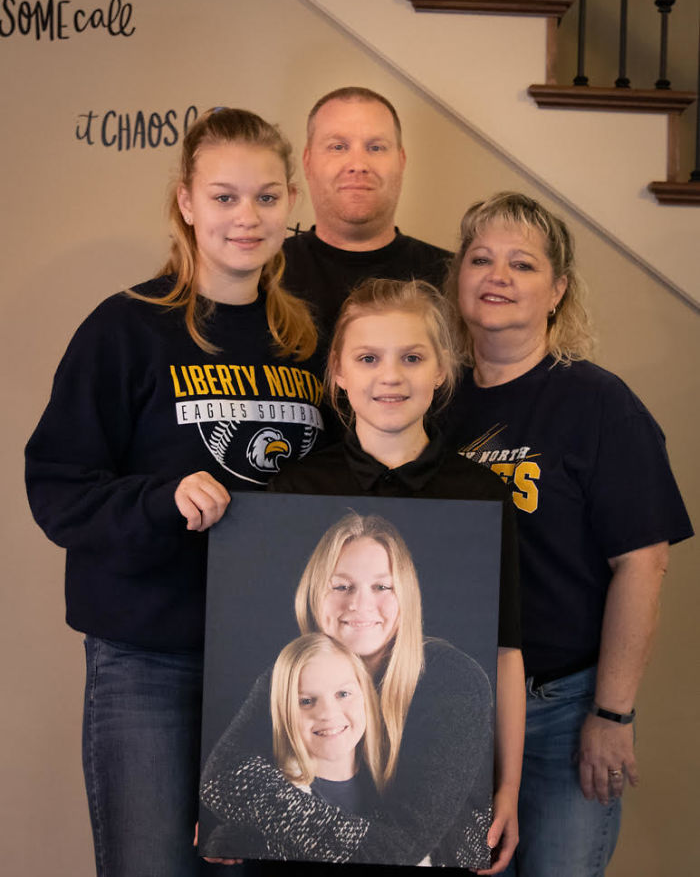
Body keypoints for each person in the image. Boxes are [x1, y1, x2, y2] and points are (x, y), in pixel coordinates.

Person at [24, 107, 326, 877]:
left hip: (280, 666)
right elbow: (58, 488)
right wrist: (161, 500)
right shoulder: (125, 329)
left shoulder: (310, 341)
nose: (245, 218)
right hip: (148, 661)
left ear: (290, 201)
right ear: (186, 202)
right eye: (223, 197)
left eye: (264, 197)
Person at [201, 278, 525, 873]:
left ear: (442, 371)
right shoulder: (295, 488)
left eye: (412, 357)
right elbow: (221, 780)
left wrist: (506, 790)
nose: (390, 377)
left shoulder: (479, 497)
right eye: (369, 358)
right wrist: (231, 821)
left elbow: (506, 652)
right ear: (339, 373)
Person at [441, 191, 694, 877]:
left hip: (562, 711)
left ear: (556, 290)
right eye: (481, 259)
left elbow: (642, 565)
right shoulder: (430, 401)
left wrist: (612, 715)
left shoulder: (598, 404)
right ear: (457, 277)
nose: (498, 276)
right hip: (452, 710)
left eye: (522, 265)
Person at [201, 513, 497, 870]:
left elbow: (399, 851)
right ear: (314, 594)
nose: (358, 604)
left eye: (382, 587)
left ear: (406, 595)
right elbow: (222, 779)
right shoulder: (293, 671)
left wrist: (257, 833)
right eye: (341, 586)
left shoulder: (455, 681)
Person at [282, 86, 451, 335]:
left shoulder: (454, 280)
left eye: (376, 147)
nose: (358, 165)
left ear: (401, 161)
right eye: (338, 147)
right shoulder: (264, 274)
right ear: (307, 161)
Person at [204, 633, 384, 860]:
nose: (328, 713)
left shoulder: (396, 789)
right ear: (284, 712)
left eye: (343, 694)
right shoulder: (261, 809)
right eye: (306, 701)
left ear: (366, 696)